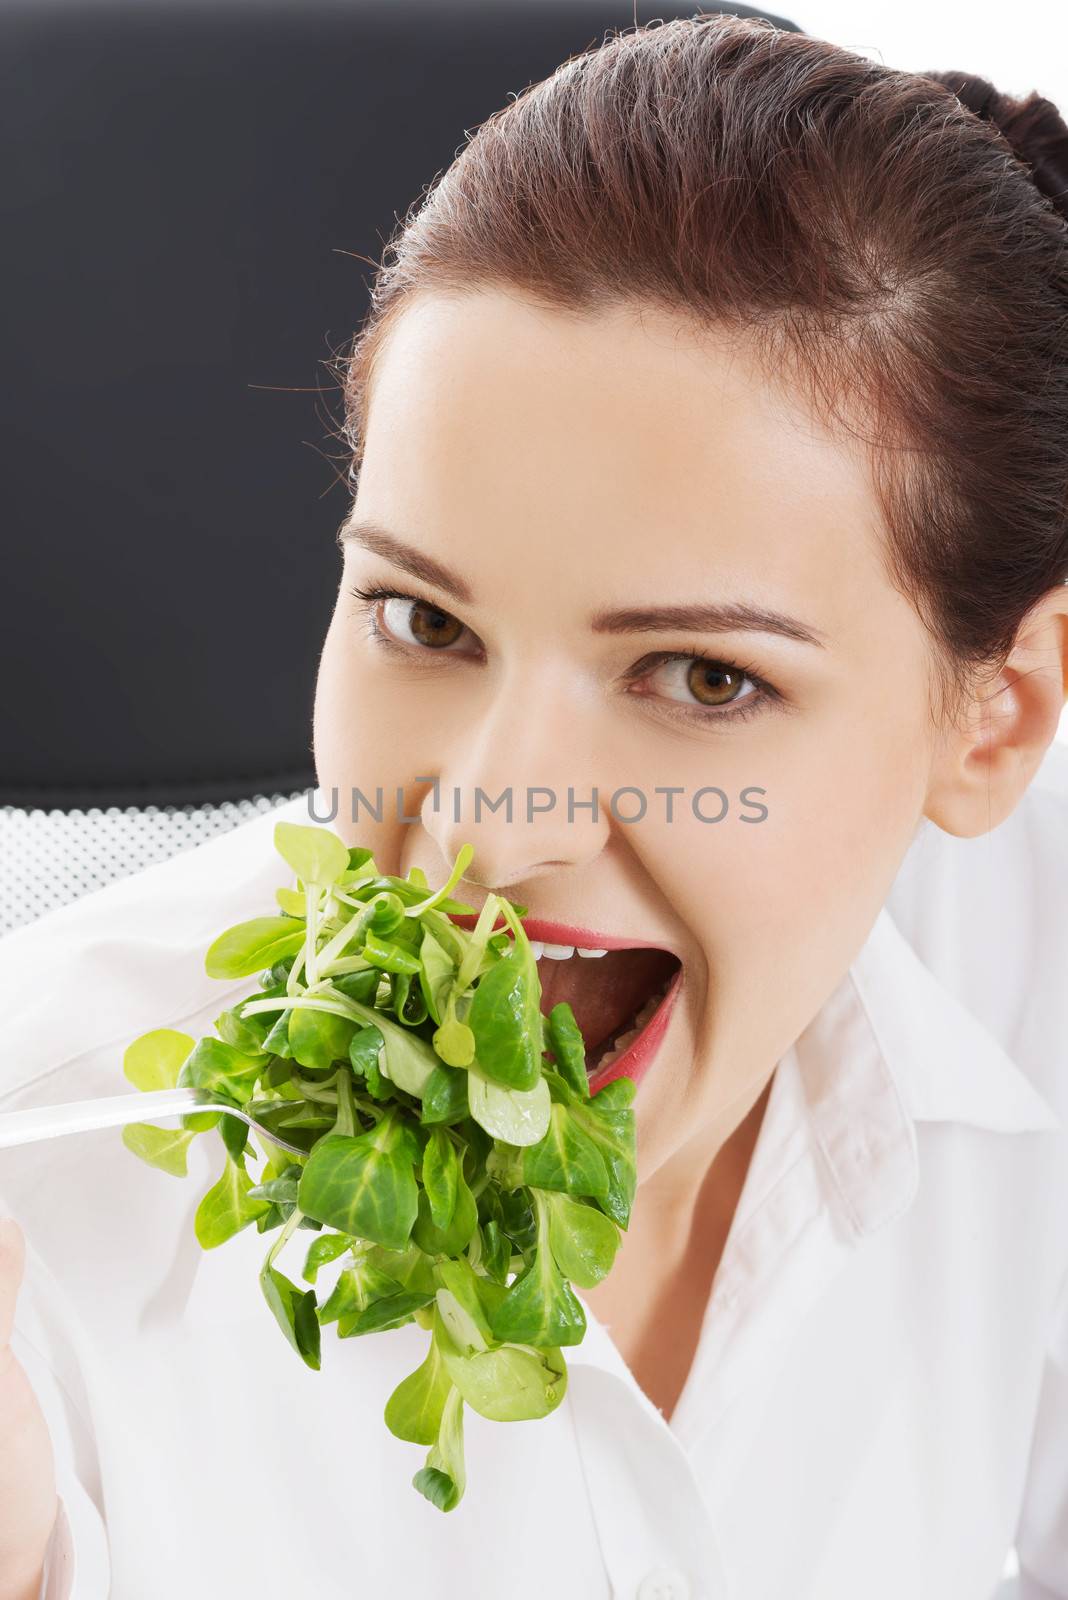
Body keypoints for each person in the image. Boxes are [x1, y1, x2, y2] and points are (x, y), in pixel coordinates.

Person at [2, 14, 1068, 1598]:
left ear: (998, 724)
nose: (492, 827)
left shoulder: (1019, 992)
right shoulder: (56, 1249)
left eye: (703, 679)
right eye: (426, 622)